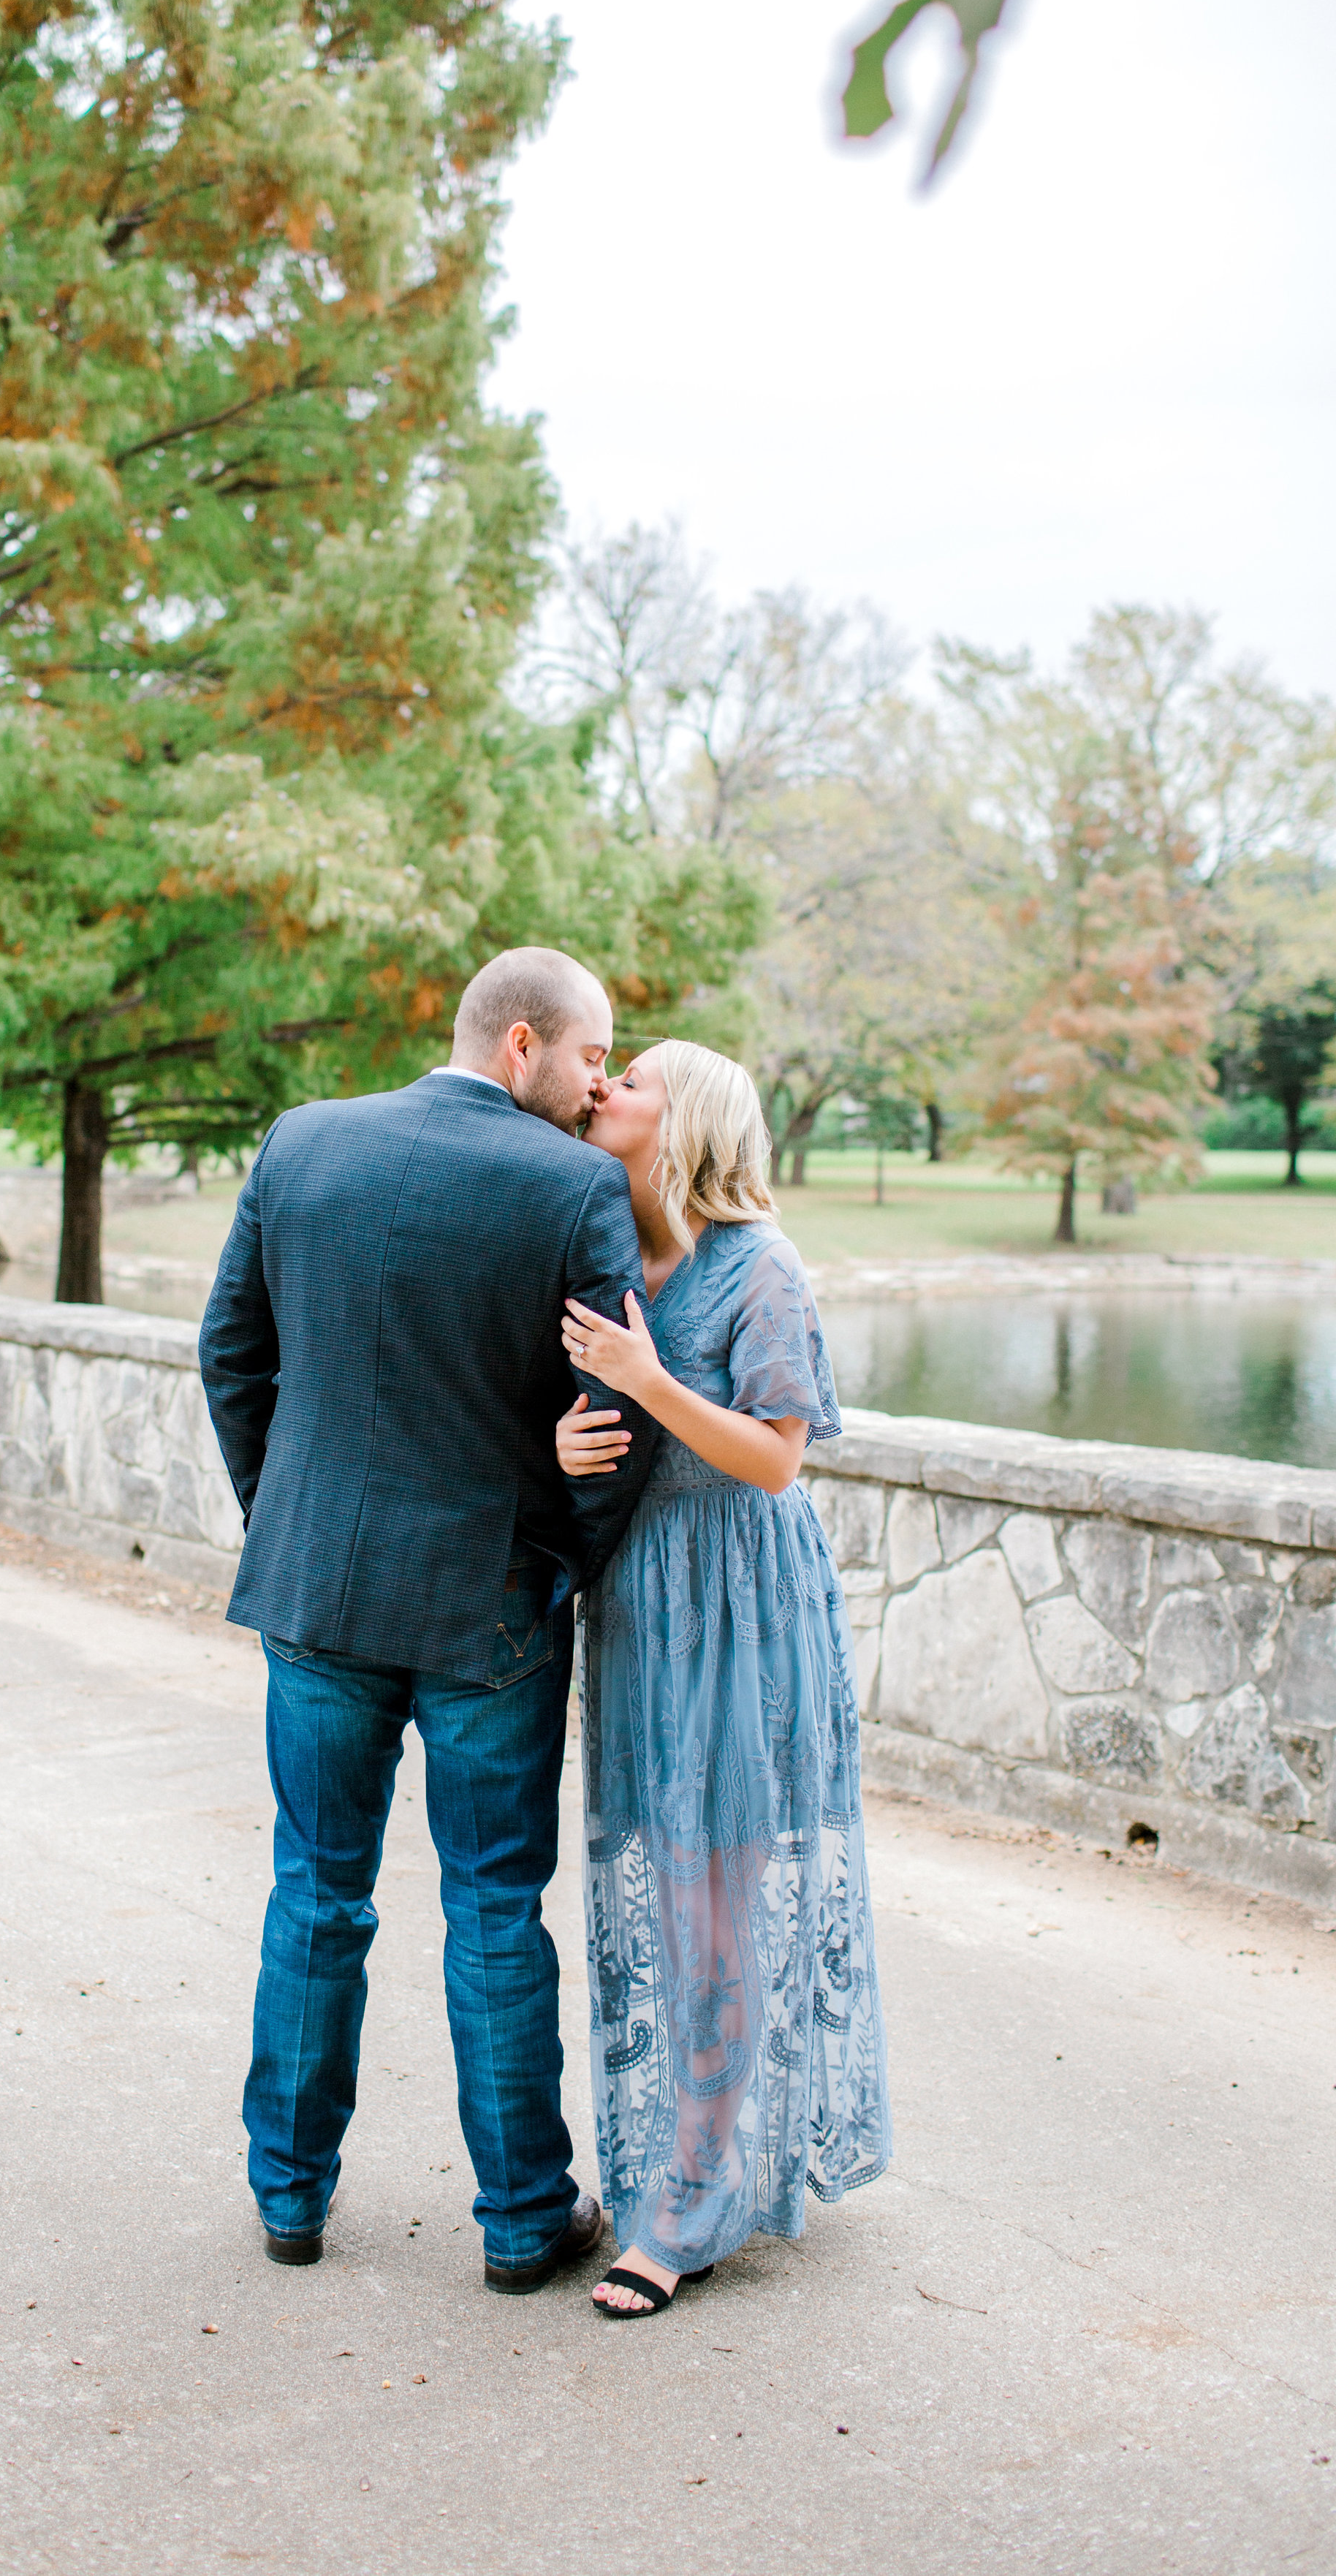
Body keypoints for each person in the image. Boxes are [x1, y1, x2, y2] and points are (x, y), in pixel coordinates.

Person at [197, 948, 660, 2291]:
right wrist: (560, 1556)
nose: (597, 1087)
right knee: (495, 1910)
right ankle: (523, 2219)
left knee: (316, 1894)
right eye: (591, 1056)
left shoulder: (305, 1141)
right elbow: (614, 1418)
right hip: (491, 1611)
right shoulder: (575, 1187)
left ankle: (288, 2197)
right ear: (522, 1044)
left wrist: (282, 1513)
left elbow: (233, 1351)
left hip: (322, 1598)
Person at [554, 1039, 891, 2319]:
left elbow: (777, 1458)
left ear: (685, 1118)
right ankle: (674, 2165)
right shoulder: (614, 1259)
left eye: (630, 1080)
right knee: (661, 1873)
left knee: (715, 1898)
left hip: (743, 1602)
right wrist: (575, 1431)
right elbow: (594, 1432)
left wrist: (646, 1381)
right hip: (640, 1600)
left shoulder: (765, 1266)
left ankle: (691, 2201)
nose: (604, 1091)